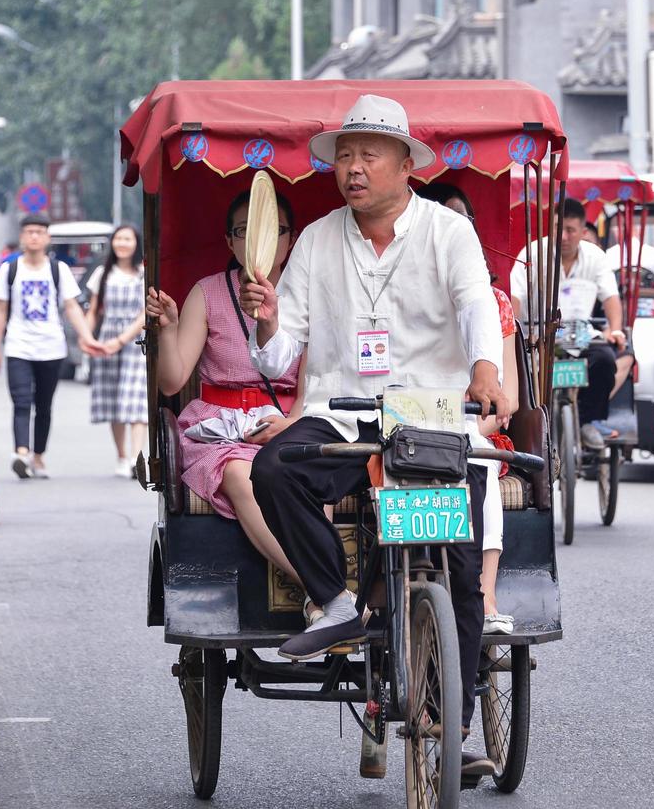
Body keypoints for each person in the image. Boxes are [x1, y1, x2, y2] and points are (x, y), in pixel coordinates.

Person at [241, 94, 509, 762]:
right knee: (275, 468)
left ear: (404, 164)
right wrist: (270, 315)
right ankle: (334, 601)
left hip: (432, 416)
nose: (353, 168)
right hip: (341, 412)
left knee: (457, 562)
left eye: (369, 155)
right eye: (346, 157)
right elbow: (277, 355)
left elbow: (477, 302)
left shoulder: (447, 232)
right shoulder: (317, 238)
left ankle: (458, 721)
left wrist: (485, 371)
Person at [144, 191, 308, 589]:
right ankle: (320, 588)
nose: (257, 242)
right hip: (220, 429)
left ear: (290, 239)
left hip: (293, 422)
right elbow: (172, 380)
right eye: (244, 232)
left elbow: (315, 379)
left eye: (272, 231)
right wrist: (167, 327)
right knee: (239, 474)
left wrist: (291, 424)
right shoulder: (209, 292)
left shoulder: (307, 294)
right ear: (230, 242)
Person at [415, 180, 521, 635]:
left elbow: (507, 397)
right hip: (409, 421)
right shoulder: (407, 295)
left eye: (461, 223)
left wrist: (479, 412)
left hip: (470, 426)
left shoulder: (495, 303)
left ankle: (486, 590)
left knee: (478, 455)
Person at [0, 213, 104, 480]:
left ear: (47, 238)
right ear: (22, 237)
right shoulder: (10, 269)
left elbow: (72, 306)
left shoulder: (57, 270)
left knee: (44, 404)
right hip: (18, 346)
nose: (34, 236)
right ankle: (21, 452)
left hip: (51, 347)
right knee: (21, 402)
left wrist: (87, 337)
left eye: (39, 232)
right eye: (29, 232)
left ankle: (38, 455)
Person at [510, 197, 629, 450]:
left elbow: (610, 298)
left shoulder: (595, 257)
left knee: (605, 360)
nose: (563, 236)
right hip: (538, 337)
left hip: (580, 336)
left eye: (571, 230)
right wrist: (513, 332)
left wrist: (616, 329)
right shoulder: (532, 253)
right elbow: (515, 297)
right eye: (557, 228)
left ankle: (588, 422)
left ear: (583, 232)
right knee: (519, 375)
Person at [86, 225, 149, 477]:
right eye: (118, 238)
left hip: (135, 341)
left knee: (135, 398)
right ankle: (121, 455)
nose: (122, 243)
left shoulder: (144, 274)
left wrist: (122, 339)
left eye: (128, 238)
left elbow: (145, 313)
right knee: (113, 399)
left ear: (136, 243)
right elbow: (93, 311)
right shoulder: (102, 273)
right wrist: (87, 338)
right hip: (107, 339)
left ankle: (136, 457)